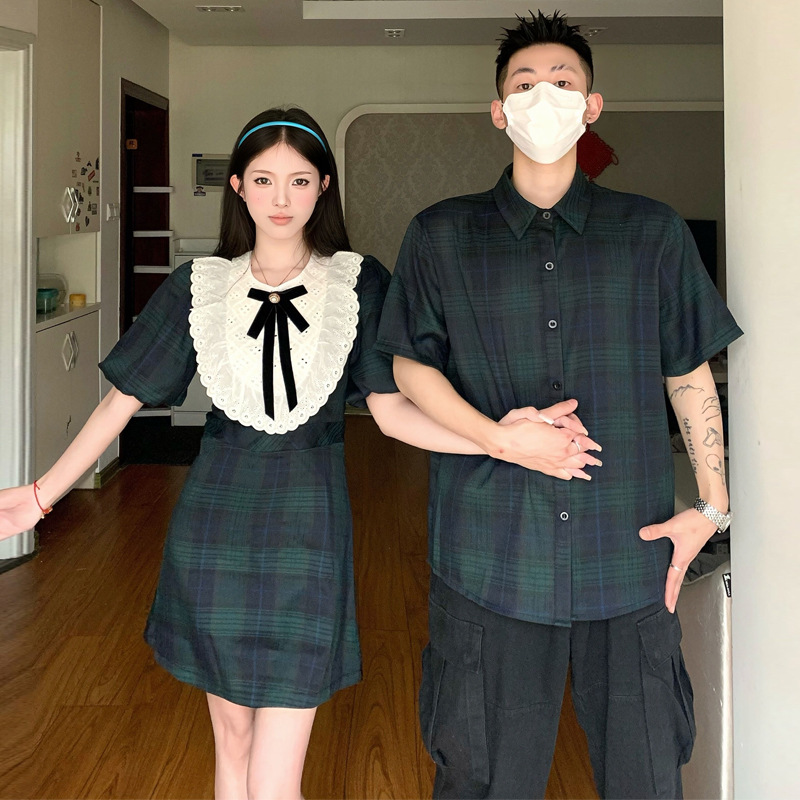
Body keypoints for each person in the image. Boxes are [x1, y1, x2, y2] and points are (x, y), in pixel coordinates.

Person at [0, 107, 554, 800]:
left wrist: (500, 439)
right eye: (263, 180)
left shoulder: (358, 284)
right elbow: (121, 402)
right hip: (212, 532)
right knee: (231, 744)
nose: (281, 198)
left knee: (274, 778)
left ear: (324, 186)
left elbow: (392, 414)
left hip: (309, 533)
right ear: (238, 187)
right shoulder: (200, 286)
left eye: (299, 180)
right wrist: (40, 496)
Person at [376, 11, 742, 800]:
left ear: (592, 106)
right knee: (483, 779)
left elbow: (688, 371)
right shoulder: (441, 235)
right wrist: (500, 440)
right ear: (498, 111)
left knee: (648, 776)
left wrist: (711, 508)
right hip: (491, 557)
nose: (544, 96)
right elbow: (410, 368)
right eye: (525, 84)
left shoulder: (651, 232)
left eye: (563, 81)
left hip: (628, 553)